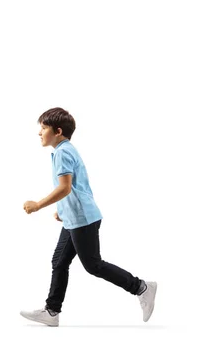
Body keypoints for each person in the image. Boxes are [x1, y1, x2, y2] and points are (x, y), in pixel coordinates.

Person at [20, 107, 156, 327]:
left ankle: (142, 287)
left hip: (83, 219)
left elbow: (64, 188)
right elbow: (76, 187)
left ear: (58, 130)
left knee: (93, 265)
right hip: (75, 217)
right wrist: (63, 211)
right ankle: (52, 311)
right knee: (59, 261)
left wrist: (37, 205)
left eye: (43, 128)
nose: (39, 132)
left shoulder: (63, 152)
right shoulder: (64, 150)